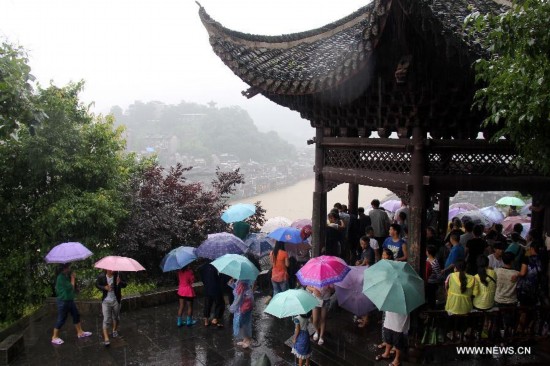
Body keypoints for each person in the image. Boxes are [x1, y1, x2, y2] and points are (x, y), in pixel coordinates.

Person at [51, 263, 92, 345]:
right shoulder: (61, 277)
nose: (70, 269)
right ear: (64, 269)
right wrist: (73, 278)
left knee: (76, 315)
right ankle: (54, 337)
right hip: (63, 301)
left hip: (69, 300)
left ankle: (80, 332)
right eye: (68, 267)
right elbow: (71, 287)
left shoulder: (65, 276)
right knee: (61, 318)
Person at [95, 269, 127, 346]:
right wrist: (104, 288)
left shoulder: (118, 275)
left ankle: (114, 330)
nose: (112, 270)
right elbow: (97, 284)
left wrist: (120, 282)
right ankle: (106, 338)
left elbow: (125, 284)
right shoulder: (102, 276)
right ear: (106, 269)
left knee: (116, 317)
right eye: (110, 269)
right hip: (106, 301)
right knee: (106, 319)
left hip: (116, 300)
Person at [229, 279, 254, 349]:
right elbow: (238, 290)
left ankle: (248, 340)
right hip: (245, 305)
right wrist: (232, 284)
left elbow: (238, 298)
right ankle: (245, 339)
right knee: (243, 323)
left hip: (244, 307)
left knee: (243, 324)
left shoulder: (242, 283)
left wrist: (232, 308)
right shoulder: (241, 281)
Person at [199, 262, 225, 328]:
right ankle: (215, 319)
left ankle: (206, 321)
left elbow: (202, 278)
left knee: (207, 304)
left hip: (207, 288)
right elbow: (221, 278)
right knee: (220, 303)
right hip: (216, 288)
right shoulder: (218, 266)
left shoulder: (203, 267)